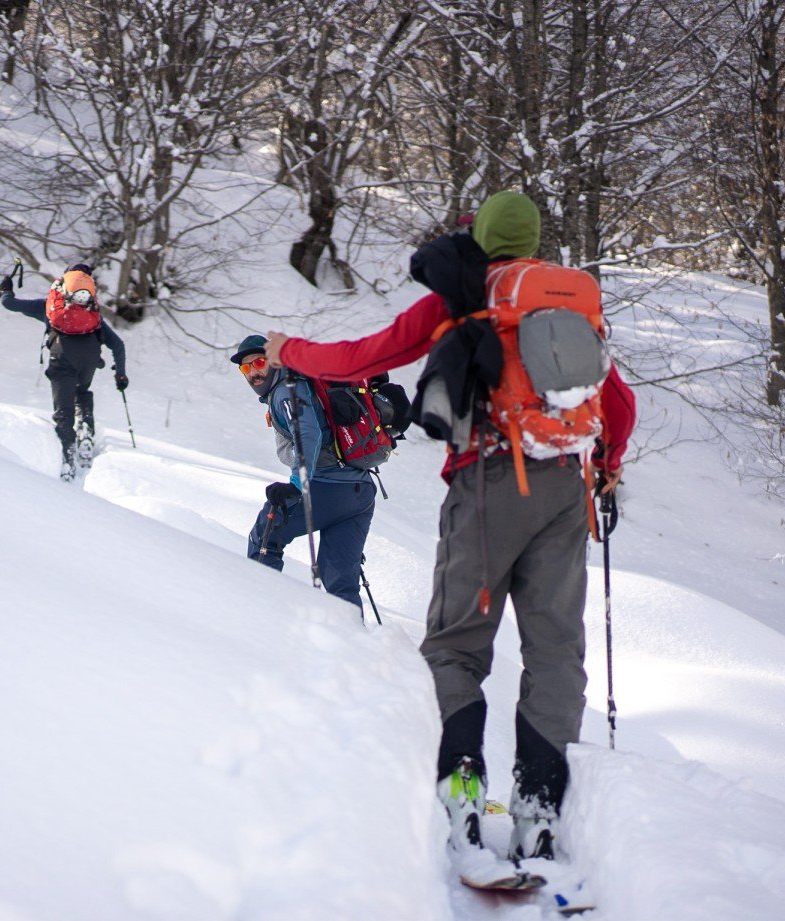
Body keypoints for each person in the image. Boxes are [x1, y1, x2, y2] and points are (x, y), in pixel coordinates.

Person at [263, 192, 636, 865]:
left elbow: (366, 354)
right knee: (555, 650)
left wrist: (291, 350)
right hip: (565, 488)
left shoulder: (466, 294)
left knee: (459, 642)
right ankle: (540, 807)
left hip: (490, 485)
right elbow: (619, 401)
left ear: (481, 235)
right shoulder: (566, 302)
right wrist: (607, 466)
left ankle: (461, 788)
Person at [231, 334, 377, 610]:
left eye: (259, 362)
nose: (253, 372)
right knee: (340, 581)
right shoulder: (301, 384)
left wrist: (298, 483)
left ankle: (259, 616)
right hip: (360, 493)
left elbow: (307, 433)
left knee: (266, 534)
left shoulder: (288, 389)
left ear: (273, 361)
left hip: (325, 487)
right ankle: (354, 645)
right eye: (245, 368)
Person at [0, 263, 127, 480]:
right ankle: (86, 430)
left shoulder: (50, 305)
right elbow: (118, 344)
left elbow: (10, 304)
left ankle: (68, 459)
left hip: (62, 355)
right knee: (81, 391)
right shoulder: (93, 312)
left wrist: (6, 290)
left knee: (63, 412)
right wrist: (120, 374)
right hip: (89, 357)